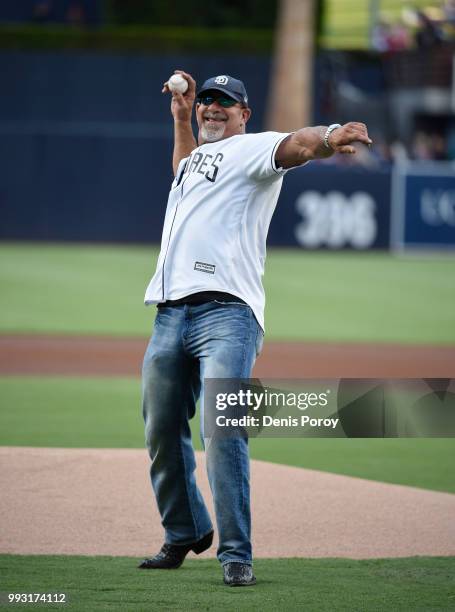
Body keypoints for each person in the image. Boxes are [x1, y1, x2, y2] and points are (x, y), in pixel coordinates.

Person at [139, 70, 372, 586]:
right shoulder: (196, 159)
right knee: (160, 426)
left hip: (227, 315)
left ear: (245, 114)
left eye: (225, 103)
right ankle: (185, 531)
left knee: (223, 429)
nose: (213, 109)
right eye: (208, 102)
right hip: (169, 313)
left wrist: (330, 136)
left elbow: (298, 144)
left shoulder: (253, 150)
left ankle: (235, 553)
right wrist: (181, 120)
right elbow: (184, 168)